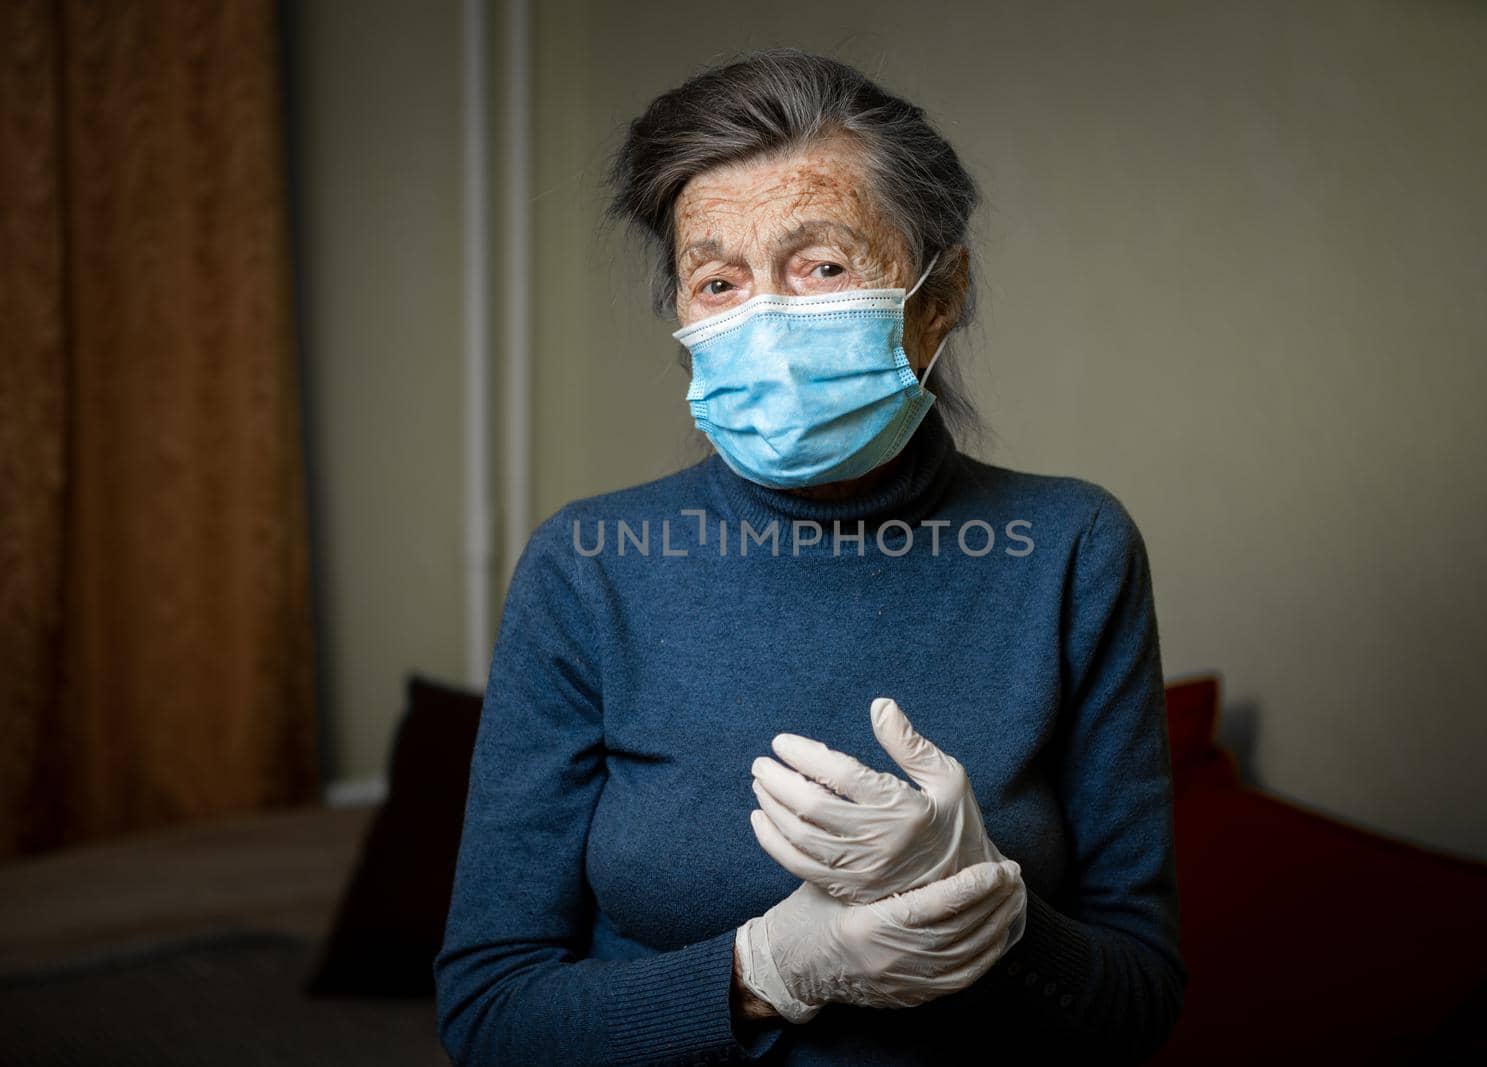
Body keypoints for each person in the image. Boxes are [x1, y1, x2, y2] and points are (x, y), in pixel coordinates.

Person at [433, 47, 1186, 1066]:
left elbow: (1137, 1000)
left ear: (939, 293)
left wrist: (989, 914)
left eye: (821, 264)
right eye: (717, 280)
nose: (767, 320)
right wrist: (764, 971)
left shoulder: (1070, 549)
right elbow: (490, 1015)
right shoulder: (590, 564)